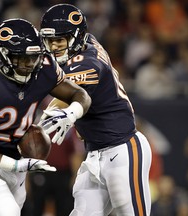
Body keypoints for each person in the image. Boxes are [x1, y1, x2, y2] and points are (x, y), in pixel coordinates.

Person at [0, 18, 91, 216]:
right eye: (21, 58)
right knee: (8, 212)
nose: (29, 64)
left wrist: (71, 113)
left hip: (17, 166)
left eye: (33, 57)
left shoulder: (44, 68)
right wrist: (16, 165)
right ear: (2, 55)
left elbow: (81, 95)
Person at [39, 4, 152, 216]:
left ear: (75, 38)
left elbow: (66, 97)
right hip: (94, 155)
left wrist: (41, 124)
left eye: (59, 40)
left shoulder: (87, 63)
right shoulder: (88, 41)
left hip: (122, 150)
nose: (53, 47)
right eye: (49, 40)